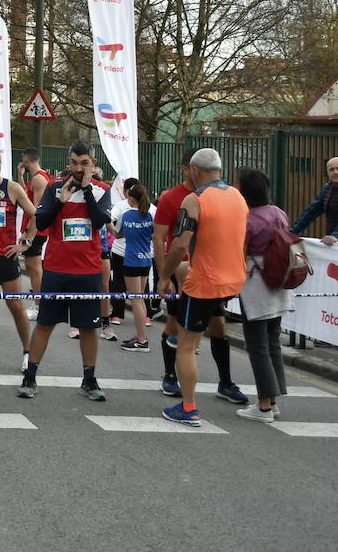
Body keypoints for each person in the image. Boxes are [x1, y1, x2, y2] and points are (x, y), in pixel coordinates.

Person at [156, 148, 250, 427]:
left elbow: (180, 243)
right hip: (232, 280)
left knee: (186, 346)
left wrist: (164, 276)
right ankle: (224, 383)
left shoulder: (194, 199)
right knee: (211, 332)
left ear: (195, 171)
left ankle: (188, 407)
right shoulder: (238, 197)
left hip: (203, 283)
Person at [17, 141, 110, 402]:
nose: (79, 168)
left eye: (84, 163)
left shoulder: (102, 191)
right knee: (45, 324)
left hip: (88, 272)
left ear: (92, 163)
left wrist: (88, 191)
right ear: (68, 163)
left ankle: (89, 379)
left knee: (89, 328)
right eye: (74, 163)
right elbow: (42, 220)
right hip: (57, 270)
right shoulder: (54, 187)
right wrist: (60, 202)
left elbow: (101, 221)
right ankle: (30, 377)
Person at [235, 168, 294, 423]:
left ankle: (263, 406)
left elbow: (240, 252)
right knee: (272, 343)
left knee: (256, 345)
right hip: (278, 280)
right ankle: (273, 400)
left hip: (255, 281)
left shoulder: (247, 219)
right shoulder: (279, 212)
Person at [0, 148, 36, 371]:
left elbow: (35, 215)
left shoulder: (12, 187)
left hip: (6, 255)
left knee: (15, 304)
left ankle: (28, 352)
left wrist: (26, 241)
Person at [111, 182, 155, 352]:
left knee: (135, 300)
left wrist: (110, 227)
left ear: (131, 198)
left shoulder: (127, 215)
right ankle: (141, 335)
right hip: (145, 260)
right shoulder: (150, 215)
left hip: (131, 261)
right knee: (141, 298)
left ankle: (142, 340)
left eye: (128, 197)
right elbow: (153, 234)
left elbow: (117, 233)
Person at [16, 146, 53, 316]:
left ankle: (39, 306)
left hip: (36, 230)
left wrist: (28, 233)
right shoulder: (38, 178)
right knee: (33, 268)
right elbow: (27, 195)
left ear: (26, 160)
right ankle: (40, 304)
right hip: (35, 230)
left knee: (34, 268)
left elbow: (37, 210)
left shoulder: (39, 179)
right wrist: (21, 177)